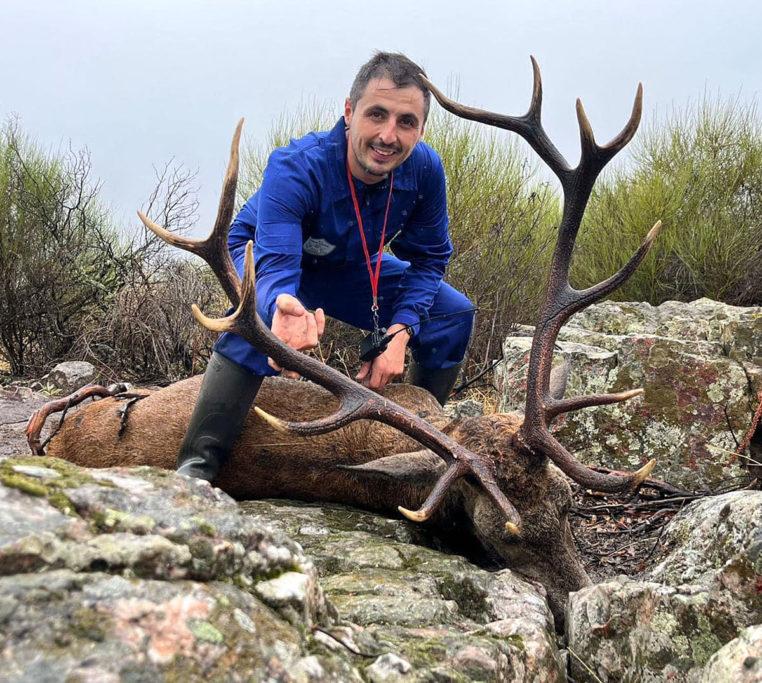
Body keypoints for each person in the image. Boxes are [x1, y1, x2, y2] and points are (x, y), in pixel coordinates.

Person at [177, 52, 474, 481]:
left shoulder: (425, 170)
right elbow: (275, 263)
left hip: (353, 264)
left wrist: (400, 332)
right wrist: (281, 306)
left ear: (422, 129)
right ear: (350, 112)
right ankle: (196, 470)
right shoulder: (297, 166)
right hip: (268, 256)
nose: (389, 135)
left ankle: (418, 453)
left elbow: (429, 258)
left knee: (452, 314)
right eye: (377, 115)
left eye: (406, 122)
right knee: (258, 323)